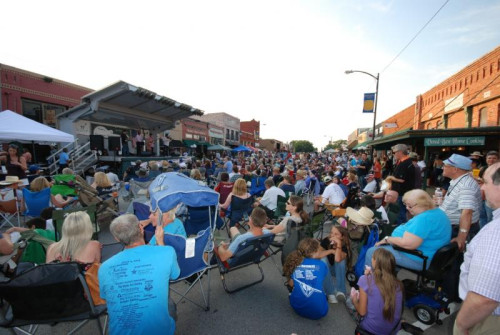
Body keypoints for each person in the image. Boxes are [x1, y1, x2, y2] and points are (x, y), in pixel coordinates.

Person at [99, 214, 180, 335]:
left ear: (116, 238)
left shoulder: (104, 267)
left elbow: (106, 297)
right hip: (159, 331)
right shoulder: (166, 252)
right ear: (141, 228)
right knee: (169, 304)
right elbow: (175, 275)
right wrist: (160, 242)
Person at [454, 162, 500, 334]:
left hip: (486, 319)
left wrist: (462, 324)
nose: (482, 188)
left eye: (485, 182)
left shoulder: (495, 233)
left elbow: (484, 298)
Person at [365, 189, 451, 270]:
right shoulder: (437, 212)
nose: (407, 208)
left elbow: (408, 244)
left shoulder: (424, 219)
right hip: (429, 254)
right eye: (406, 205)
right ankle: (387, 279)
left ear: (422, 204)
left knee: (372, 252)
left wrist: (387, 239)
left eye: (410, 206)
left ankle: (368, 283)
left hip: (420, 259)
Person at [351, 248, 404, 335]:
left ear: (375, 262)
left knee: (352, 302)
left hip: (371, 330)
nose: (371, 259)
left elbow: (362, 312)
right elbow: (380, 287)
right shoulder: (398, 284)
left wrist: (355, 301)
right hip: (392, 330)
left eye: (372, 257)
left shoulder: (365, 280)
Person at [439, 154, 481, 251]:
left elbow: (467, 212)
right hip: (453, 227)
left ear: (455, 169)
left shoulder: (466, 186)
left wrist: (461, 236)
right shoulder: (459, 180)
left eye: (445, 165)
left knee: (456, 262)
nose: (442, 168)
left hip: (458, 230)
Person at [283, 238, 329, 320]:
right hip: (320, 312)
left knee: (294, 285)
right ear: (314, 252)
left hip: (297, 308)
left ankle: (297, 297)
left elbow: (291, 284)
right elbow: (321, 278)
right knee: (320, 284)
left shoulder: (295, 262)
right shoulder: (322, 264)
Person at [320, 225, 351, 303]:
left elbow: (337, 259)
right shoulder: (326, 241)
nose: (332, 235)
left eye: (336, 234)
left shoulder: (344, 246)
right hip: (326, 268)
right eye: (331, 233)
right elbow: (318, 254)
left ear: (342, 237)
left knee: (340, 260)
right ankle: (330, 293)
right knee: (323, 259)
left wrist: (338, 245)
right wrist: (331, 251)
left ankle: (341, 291)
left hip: (337, 270)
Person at [387, 143, 415, 224]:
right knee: (400, 212)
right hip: (401, 192)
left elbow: (401, 180)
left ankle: (401, 229)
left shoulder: (405, 163)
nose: (394, 154)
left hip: (402, 193)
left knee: (401, 213)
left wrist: (391, 178)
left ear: (400, 152)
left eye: (395, 152)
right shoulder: (403, 162)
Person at [478, 150, 499, 228]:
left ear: (498, 160)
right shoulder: (483, 168)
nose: (491, 160)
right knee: (482, 217)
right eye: (489, 158)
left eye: (494, 158)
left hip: (492, 200)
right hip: (482, 197)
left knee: (491, 220)